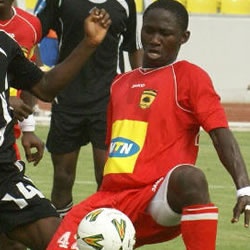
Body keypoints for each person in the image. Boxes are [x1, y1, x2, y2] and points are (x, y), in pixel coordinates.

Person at [46, 1, 250, 249]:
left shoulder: (189, 76)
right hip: (113, 200)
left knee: (190, 178)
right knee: (60, 240)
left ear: (184, 37)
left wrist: (244, 189)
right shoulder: (118, 84)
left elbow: (220, 134)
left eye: (165, 34)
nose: (154, 39)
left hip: (157, 197)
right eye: (149, 31)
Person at [0, 8, 111, 250]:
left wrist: (89, 43)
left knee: (59, 241)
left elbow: (45, 87)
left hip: (4, 174)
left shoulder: (5, 44)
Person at [35, 0, 143, 218]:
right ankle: (62, 236)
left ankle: (103, 236)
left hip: (110, 101)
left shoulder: (127, 2)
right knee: (63, 178)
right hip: (66, 99)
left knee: (107, 178)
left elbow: (133, 48)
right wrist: (38, 74)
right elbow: (32, 33)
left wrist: (142, 92)